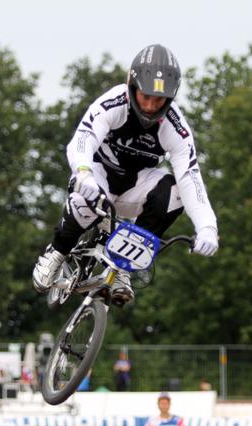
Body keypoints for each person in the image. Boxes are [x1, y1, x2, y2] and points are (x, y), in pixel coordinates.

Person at [32, 44, 219, 305]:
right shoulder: (113, 102)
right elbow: (82, 139)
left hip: (136, 188)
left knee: (175, 192)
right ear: (132, 86)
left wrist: (207, 227)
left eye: (159, 100)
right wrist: (83, 172)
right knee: (84, 201)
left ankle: (122, 267)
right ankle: (58, 250)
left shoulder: (175, 127)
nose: (152, 106)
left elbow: (191, 178)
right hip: (98, 177)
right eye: (146, 96)